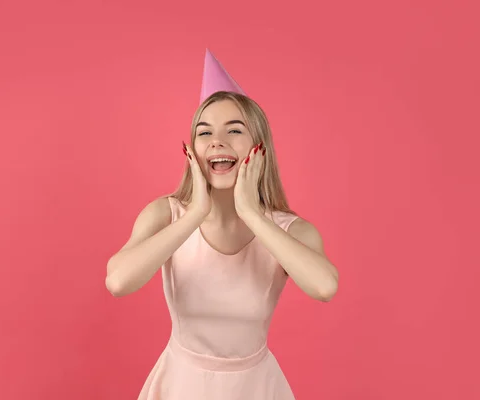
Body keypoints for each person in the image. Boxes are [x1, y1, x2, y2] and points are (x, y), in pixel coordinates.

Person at [105, 49, 339, 400]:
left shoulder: (290, 231)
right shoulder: (164, 215)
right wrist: (196, 213)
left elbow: (324, 287)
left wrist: (252, 214)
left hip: (256, 389)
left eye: (234, 130)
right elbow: (118, 281)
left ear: (259, 147)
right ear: (193, 150)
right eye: (204, 132)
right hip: (180, 387)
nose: (217, 141)